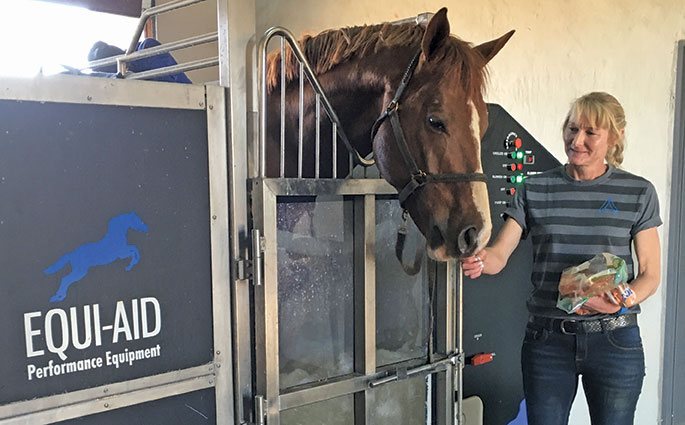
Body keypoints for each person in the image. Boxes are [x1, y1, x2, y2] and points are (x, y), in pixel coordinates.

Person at [462, 92, 661, 425]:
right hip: (547, 341)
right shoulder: (535, 188)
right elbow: (500, 253)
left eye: (590, 132)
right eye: (571, 129)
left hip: (615, 340)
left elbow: (650, 274)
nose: (576, 140)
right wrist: (482, 260)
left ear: (614, 138)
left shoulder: (638, 192)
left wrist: (625, 298)